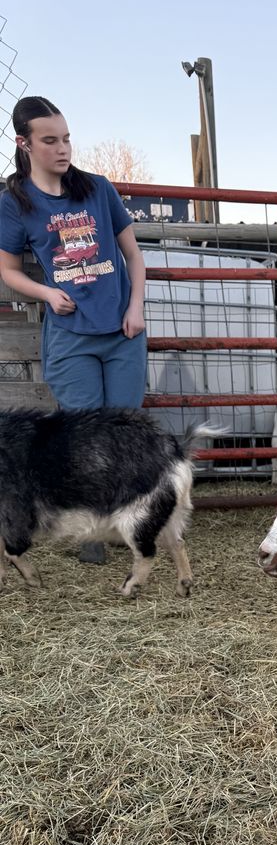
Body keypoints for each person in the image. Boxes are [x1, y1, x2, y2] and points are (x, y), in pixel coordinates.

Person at [0, 96, 148, 563]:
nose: (62, 148)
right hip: (70, 336)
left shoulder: (98, 189)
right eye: (50, 140)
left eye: (66, 138)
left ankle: (129, 529)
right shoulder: (14, 203)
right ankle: (90, 538)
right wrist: (44, 294)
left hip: (123, 330)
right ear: (24, 144)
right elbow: (7, 270)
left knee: (125, 434)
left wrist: (137, 307)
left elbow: (134, 257)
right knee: (82, 439)